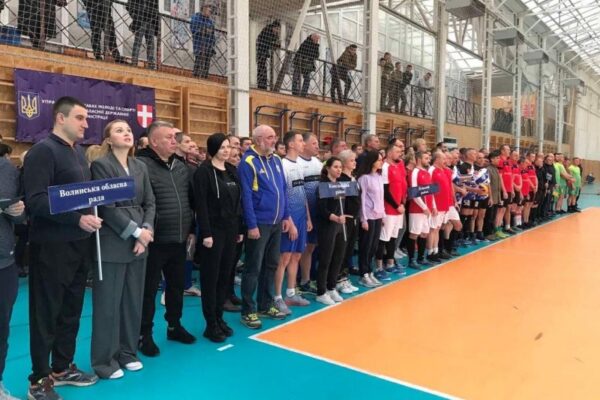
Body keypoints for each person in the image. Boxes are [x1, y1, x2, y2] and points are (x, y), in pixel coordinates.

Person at [23, 97, 100, 399]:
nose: (85, 124)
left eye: (86, 118)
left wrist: (91, 214)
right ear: (60, 118)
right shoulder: (43, 151)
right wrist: (77, 219)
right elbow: (36, 201)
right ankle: (39, 379)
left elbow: (84, 195)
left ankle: (61, 367)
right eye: (80, 118)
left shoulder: (78, 153)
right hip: (51, 248)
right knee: (46, 315)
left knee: (71, 311)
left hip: (79, 246)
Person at [89, 120, 155, 380]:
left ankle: (128, 353)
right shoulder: (101, 166)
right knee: (108, 305)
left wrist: (145, 232)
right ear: (108, 139)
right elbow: (106, 207)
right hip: (113, 244)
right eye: (119, 130)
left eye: (128, 130)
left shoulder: (140, 166)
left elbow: (150, 202)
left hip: (139, 245)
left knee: (132, 302)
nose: (126, 133)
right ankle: (105, 361)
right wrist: (136, 232)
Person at [137, 121, 196, 357]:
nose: (174, 140)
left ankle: (174, 326)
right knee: (149, 291)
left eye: (175, 137)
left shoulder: (180, 166)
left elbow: (189, 199)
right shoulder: (141, 165)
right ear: (154, 141)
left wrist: (191, 228)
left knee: (176, 287)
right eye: (169, 137)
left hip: (179, 238)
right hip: (155, 240)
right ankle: (145, 334)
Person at [238, 125, 291, 329]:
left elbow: (283, 190)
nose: (274, 140)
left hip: (276, 222)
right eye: (270, 137)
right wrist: (251, 225)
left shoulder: (276, 159)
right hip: (259, 223)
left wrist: (285, 215)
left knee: (271, 264)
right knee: (253, 267)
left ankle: (265, 304)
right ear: (259, 139)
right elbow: (246, 197)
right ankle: (248, 310)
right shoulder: (248, 162)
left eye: (274, 137)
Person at [193, 133, 243, 342]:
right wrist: (206, 233)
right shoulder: (203, 172)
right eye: (222, 147)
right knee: (210, 279)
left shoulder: (231, 171)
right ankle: (210, 323)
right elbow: (201, 205)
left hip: (231, 230)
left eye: (228, 147)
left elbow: (238, 202)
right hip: (213, 233)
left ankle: (219, 317)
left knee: (225, 276)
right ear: (213, 148)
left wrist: (240, 229)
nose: (226, 150)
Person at [274, 132, 311, 315]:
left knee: (296, 255)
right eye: (300, 140)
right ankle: (277, 297)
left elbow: (302, 192)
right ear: (290, 144)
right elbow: (282, 195)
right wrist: (289, 220)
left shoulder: (299, 165)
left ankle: (291, 293)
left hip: (301, 216)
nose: (303, 143)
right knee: (284, 257)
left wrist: (308, 217)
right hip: (289, 219)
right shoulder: (283, 165)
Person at [0, 148, 26, 400]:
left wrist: (19, 213)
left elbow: (20, 217)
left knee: (1, 329)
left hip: (4, 263)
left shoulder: (7, 169)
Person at [315, 157, 347, 305]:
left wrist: (342, 217)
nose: (339, 170)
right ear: (328, 168)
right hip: (327, 226)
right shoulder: (323, 185)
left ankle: (331, 287)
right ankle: (321, 292)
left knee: (338, 257)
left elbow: (342, 205)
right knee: (325, 259)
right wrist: (335, 218)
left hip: (340, 226)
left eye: (340, 167)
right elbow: (322, 209)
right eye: (335, 167)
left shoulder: (340, 184)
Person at [374, 143, 407, 280]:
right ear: (389, 153)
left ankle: (390, 262)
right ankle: (378, 266)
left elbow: (402, 187)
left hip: (398, 208)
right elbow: (385, 191)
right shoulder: (385, 167)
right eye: (397, 151)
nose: (400, 153)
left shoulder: (398, 166)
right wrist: (396, 205)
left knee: (393, 238)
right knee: (383, 238)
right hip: (388, 209)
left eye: (400, 151)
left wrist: (402, 204)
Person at [298, 133, 322, 296]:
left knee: (311, 246)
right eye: (314, 143)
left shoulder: (317, 163)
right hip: (302, 212)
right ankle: (299, 280)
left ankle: (306, 279)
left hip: (317, 211)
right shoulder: (297, 163)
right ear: (304, 145)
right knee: (301, 248)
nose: (317, 146)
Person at [356, 151, 385, 287]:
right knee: (366, 246)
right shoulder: (364, 178)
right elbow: (361, 200)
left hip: (378, 216)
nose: (381, 162)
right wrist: (364, 219)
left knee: (374, 246)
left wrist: (383, 215)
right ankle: (364, 274)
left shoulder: (379, 177)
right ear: (372, 161)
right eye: (378, 160)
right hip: (368, 217)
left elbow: (381, 198)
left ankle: (370, 271)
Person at [407, 151, 436, 269]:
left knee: (424, 233)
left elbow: (431, 192)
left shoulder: (427, 172)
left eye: (429, 158)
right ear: (419, 159)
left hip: (427, 210)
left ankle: (421, 258)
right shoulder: (415, 172)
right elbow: (414, 193)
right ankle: (411, 260)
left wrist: (433, 206)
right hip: (417, 209)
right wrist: (424, 207)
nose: (428, 160)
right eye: (426, 158)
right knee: (414, 234)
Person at [336, 150, 360, 293]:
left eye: (354, 160)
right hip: (345, 219)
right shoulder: (341, 180)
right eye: (352, 160)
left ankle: (345, 277)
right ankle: (338, 279)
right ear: (344, 163)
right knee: (342, 250)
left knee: (349, 249)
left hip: (354, 218)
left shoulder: (353, 178)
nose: (354, 163)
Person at [128, 0, 159, 69]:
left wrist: (155, 21)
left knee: (150, 44)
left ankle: (151, 65)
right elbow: (129, 5)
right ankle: (134, 62)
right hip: (140, 21)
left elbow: (156, 8)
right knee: (138, 42)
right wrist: (135, 16)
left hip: (151, 22)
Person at [191, 5, 216, 79]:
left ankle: (205, 77)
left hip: (208, 44)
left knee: (207, 62)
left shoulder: (210, 21)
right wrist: (203, 30)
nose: (210, 13)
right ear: (204, 10)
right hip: (199, 43)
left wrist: (212, 44)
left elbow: (213, 33)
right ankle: (196, 76)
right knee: (198, 59)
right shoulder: (196, 18)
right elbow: (193, 29)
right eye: (209, 11)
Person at [256, 21, 281, 90]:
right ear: (274, 27)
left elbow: (274, 43)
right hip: (261, 52)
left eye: (278, 29)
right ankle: (261, 85)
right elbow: (268, 42)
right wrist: (275, 42)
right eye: (277, 29)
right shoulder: (267, 31)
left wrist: (277, 37)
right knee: (261, 68)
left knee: (263, 68)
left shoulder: (270, 32)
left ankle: (263, 85)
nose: (277, 31)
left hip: (263, 52)